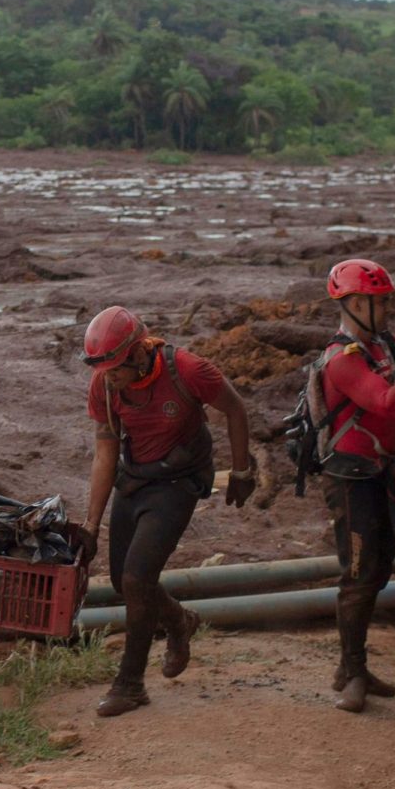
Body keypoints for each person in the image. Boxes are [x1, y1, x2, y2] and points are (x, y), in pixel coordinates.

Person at [79, 306, 253, 717]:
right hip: (135, 478)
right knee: (126, 583)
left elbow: (236, 409)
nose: (110, 377)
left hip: (179, 481)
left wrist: (243, 470)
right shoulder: (104, 385)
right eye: (103, 369)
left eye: (116, 367)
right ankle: (178, 620)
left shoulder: (189, 370)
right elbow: (105, 452)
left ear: (139, 351)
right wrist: (90, 524)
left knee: (138, 577)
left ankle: (130, 684)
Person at [313, 259, 395, 714]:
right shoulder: (341, 360)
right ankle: (352, 672)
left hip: (380, 472)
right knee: (357, 575)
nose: (387, 310)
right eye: (379, 302)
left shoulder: (384, 345)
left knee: (379, 568)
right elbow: (391, 405)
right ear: (354, 304)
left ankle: (354, 667)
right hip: (350, 479)